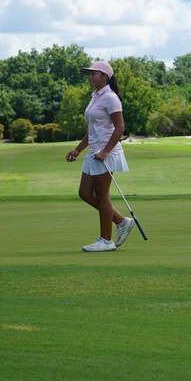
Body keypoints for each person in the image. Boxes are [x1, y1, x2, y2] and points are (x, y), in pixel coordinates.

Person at [66, 61, 134, 252]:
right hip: (94, 152)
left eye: (93, 74)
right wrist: (78, 149)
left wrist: (105, 151)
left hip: (106, 152)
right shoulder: (95, 96)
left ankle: (106, 240)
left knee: (102, 194)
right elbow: (93, 129)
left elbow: (120, 128)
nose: (89, 77)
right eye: (88, 74)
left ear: (105, 76)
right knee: (85, 193)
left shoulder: (111, 98)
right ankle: (121, 222)